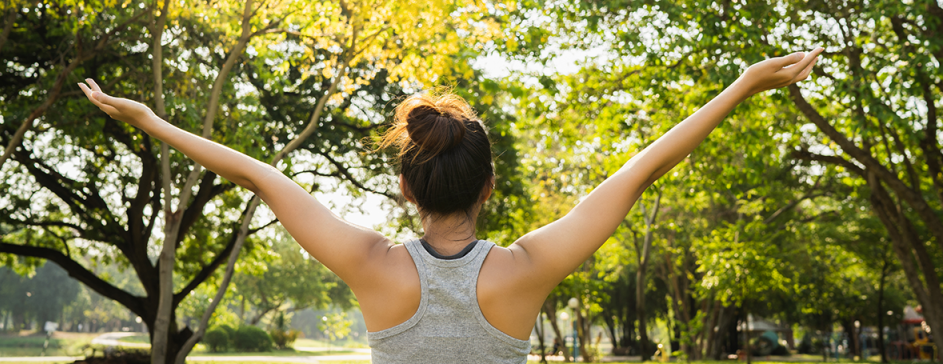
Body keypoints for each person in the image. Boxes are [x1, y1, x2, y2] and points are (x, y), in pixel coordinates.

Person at [78, 47, 822, 363]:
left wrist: (153, 123)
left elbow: (263, 177)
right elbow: (641, 171)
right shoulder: (526, 270)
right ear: (489, 188)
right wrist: (742, 86)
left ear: (406, 187)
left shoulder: (371, 267)